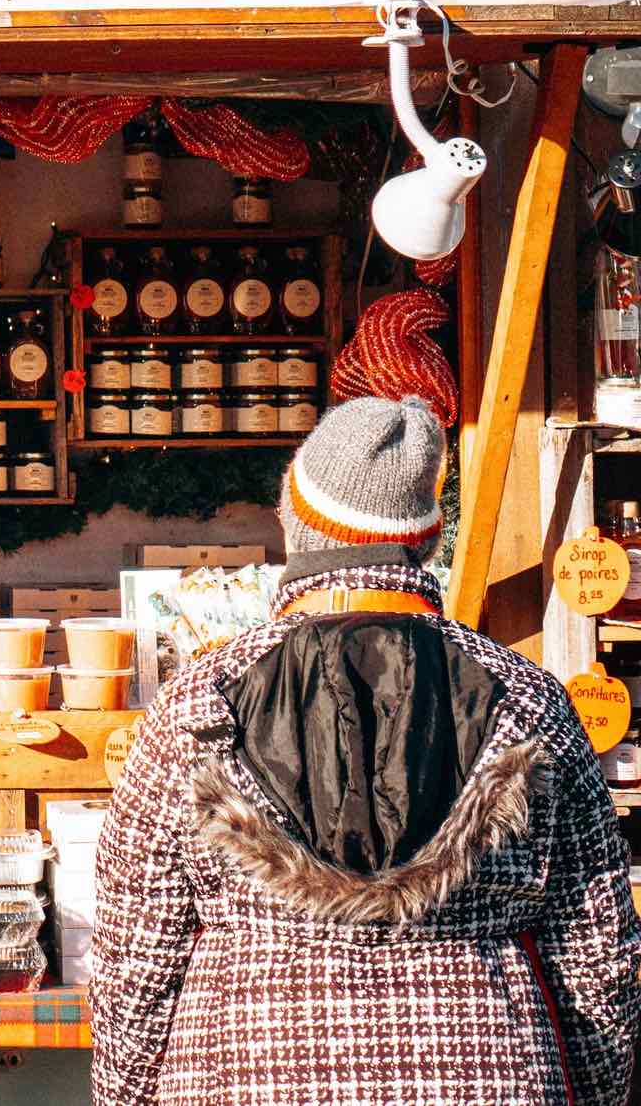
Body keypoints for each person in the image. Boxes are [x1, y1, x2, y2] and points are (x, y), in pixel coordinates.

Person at [91, 396, 641, 1106]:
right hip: (486, 1073)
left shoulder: (197, 706)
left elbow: (136, 965)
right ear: (429, 535)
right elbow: (598, 957)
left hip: (249, 1069)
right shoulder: (530, 701)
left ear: (293, 520)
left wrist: (123, 1097)